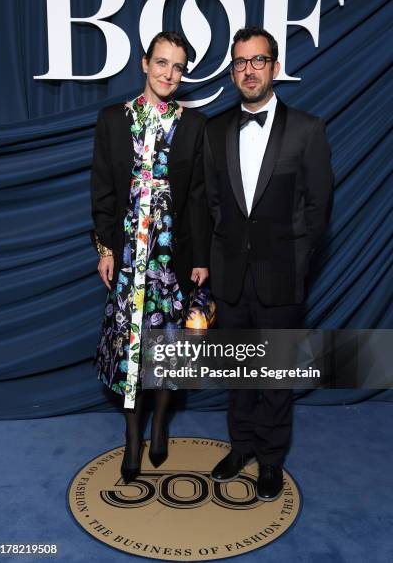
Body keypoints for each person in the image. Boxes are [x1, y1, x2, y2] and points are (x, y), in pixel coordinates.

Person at [204, 27, 333, 501]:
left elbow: (319, 207)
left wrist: (296, 261)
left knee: (275, 376)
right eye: (240, 62)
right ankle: (241, 447)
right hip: (230, 276)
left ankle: (272, 459)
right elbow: (213, 203)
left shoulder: (307, 128)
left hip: (283, 275)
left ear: (275, 67)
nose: (249, 70)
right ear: (233, 71)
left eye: (258, 61)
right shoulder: (216, 130)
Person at [91, 31, 209, 484]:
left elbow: (198, 197)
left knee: (168, 346)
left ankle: (160, 423)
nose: (169, 74)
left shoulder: (194, 125)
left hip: (170, 258)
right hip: (128, 259)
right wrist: (105, 248)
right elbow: (102, 190)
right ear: (144, 64)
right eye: (161, 63)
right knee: (130, 349)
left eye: (178, 67)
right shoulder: (112, 120)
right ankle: (133, 431)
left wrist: (200, 256)